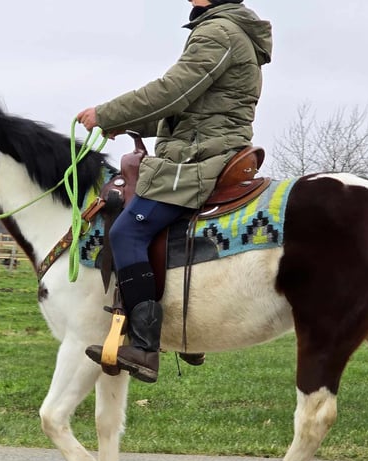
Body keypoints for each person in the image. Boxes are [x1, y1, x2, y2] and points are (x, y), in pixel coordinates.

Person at [77, 0, 272, 383]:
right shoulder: (230, 29)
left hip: (200, 156)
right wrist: (127, 122)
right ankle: (187, 330)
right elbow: (187, 108)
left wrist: (108, 113)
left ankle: (146, 346)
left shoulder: (218, 32)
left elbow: (173, 91)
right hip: (202, 145)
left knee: (127, 232)